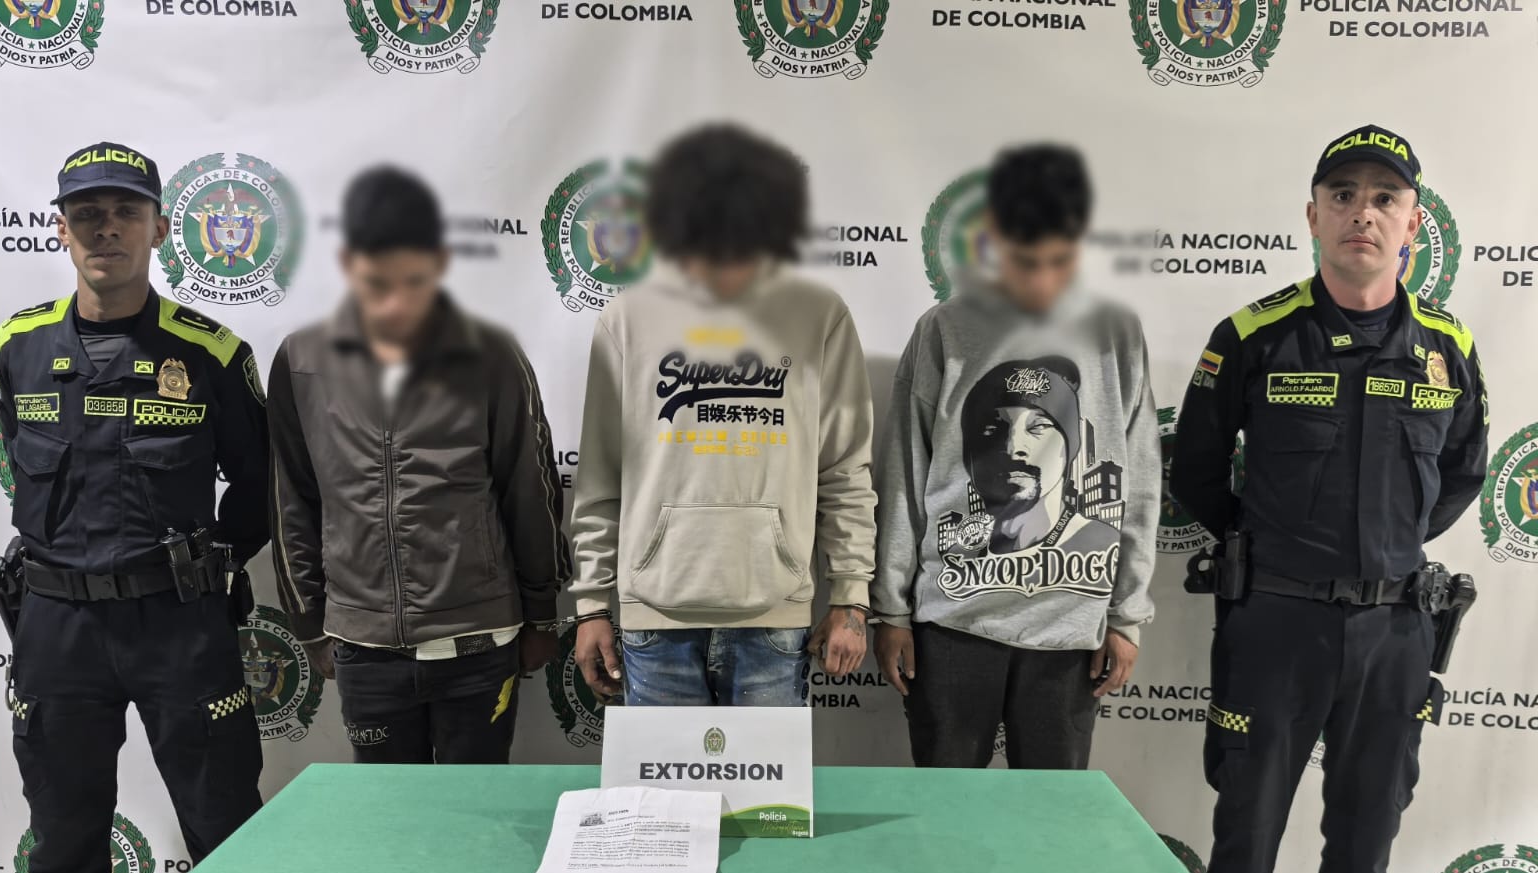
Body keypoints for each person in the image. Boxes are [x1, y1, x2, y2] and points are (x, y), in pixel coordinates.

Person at [1171, 125, 1489, 873]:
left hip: (1397, 627)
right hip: (1277, 622)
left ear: (1413, 225)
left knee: (1370, 817)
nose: (1363, 213)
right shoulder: (1253, 336)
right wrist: (1277, 554)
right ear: (1312, 216)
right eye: (1343, 194)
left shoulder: (1447, 346)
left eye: (1385, 198)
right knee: (1249, 814)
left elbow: (1462, 474)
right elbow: (1196, 472)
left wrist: (1385, 554)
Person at [0, 142, 268, 873]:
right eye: (87, 214)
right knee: (63, 825)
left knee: (221, 816)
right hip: (56, 626)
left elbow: (259, 492)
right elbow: (18, 461)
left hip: (178, 625)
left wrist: (201, 568)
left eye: (126, 212)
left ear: (159, 229)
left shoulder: (212, 352)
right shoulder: (18, 343)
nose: (106, 229)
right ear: (61, 230)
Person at [872, 145, 1160, 769]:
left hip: (1070, 624)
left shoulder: (1115, 332)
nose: (1040, 281)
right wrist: (891, 609)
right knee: (946, 810)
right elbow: (904, 476)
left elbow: (1139, 481)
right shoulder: (944, 328)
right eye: (1025, 259)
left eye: (1058, 260)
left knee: (1051, 817)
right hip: (953, 621)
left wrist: (1126, 615)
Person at [267, 166, 568, 763]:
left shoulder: (490, 354)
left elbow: (529, 489)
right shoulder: (302, 360)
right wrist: (309, 622)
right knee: (389, 814)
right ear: (349, 261)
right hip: (363, 645)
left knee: (476, 809)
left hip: (478, 640)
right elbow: (290, 498)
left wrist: (541, 615)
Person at [569, 124, 876, 706]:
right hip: (654, 617)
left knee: (766, 776)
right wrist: (590, 605)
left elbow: (844, 471)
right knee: (662, 775)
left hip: (773, 615)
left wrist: (851, 597)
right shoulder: (628, 318)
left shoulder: (819, 315)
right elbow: (601, 478)